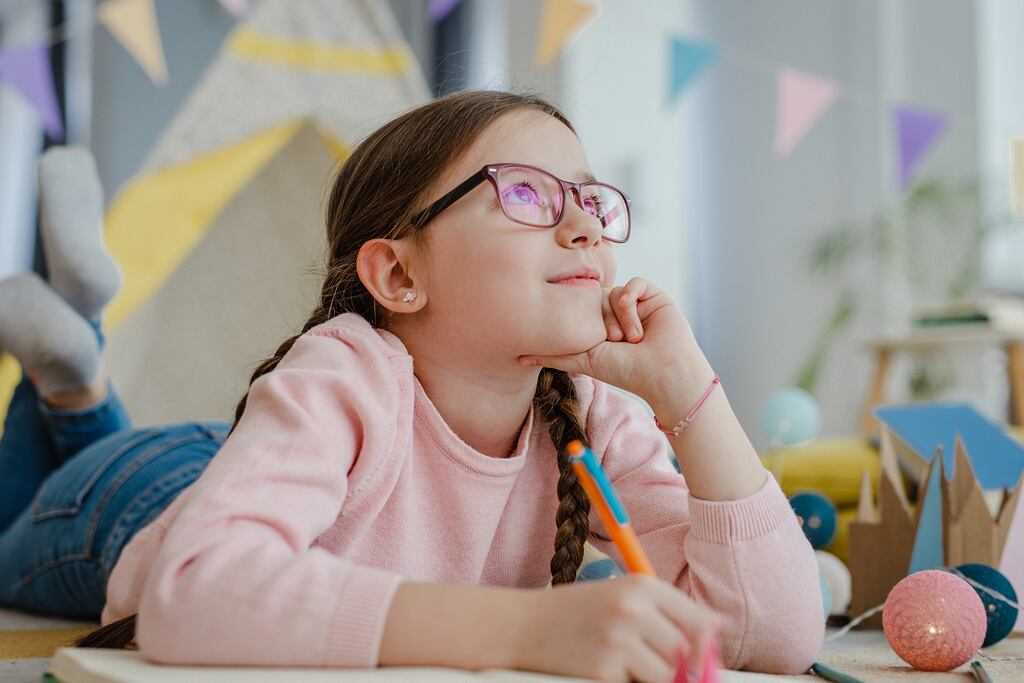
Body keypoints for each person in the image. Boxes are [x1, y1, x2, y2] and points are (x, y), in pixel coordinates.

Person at [0, 90, 823, 682]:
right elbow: (189, 590)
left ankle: (72, 351)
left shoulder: (589, 406)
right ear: (397, 274)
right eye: (529, 193)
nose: (581, 223)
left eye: (589, 199)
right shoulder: (345, 366)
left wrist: (689, 393)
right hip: (146, 492)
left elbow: (778, 636)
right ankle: (78, 376)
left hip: (270, 474)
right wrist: (529, 629)